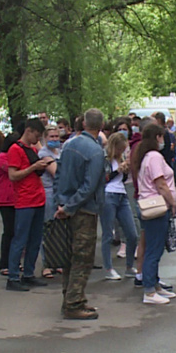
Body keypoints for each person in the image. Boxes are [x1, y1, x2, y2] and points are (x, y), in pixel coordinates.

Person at [53, 109, 107, 320]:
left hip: (65, 206)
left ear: (83, 123)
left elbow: (58, 175)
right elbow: (89, 186)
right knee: (82, 257)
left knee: (68, 256)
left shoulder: (68, 146)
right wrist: (70, 207)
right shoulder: (95, 151)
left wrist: (61, 204)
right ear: (101, 126)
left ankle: (69, 297)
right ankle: (74, 303)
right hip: (83, 210)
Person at [5, 118, 54, 292]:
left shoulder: (32, 149)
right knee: (20, 239)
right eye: (37, 135)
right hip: (25, 200)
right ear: (29, 131)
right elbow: (13, 175)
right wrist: (33, 167)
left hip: (38, 198)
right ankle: (12, 276)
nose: (38, 139)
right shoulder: (15, 149)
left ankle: (28, 273)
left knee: (35, 239)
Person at [133, 123, 176, 305]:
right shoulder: (155, 157)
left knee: (154, 247)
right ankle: (149, 290)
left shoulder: (146, 157)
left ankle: (155, 284)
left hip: (149, 205)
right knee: (154, 249)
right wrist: (172, 203)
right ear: (157, 137)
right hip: (157, 206)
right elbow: (160, 184)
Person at [101, 131, 138, 281]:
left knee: (132, 234)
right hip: (108, 194)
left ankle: (129, 267)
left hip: (121, 195)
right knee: (108, 233)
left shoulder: (119, 158)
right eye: (120, 148)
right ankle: (108, 268)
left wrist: (125, 170)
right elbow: (104, 178)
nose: (122, 152)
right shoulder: (105, 159)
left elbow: (120, 179)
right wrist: (118, 170)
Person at [38, 126, 63, 279]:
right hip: (48, 192)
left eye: (56, 136)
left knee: (59, 229)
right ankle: (46, 264)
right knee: (47, 229)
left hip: (59, 193)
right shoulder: (43, 154)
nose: (54, 139)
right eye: (51, 136)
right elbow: (57, 173)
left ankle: (57, 261)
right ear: (45, 138)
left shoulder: (59, 152)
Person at [0, 134, 19, 275]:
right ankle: (4, 263)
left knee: (17, 232)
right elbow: (13, 170)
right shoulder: (2, 157)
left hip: (17, 198)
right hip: (6, 199)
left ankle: (14, 262)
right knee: (9, 231)